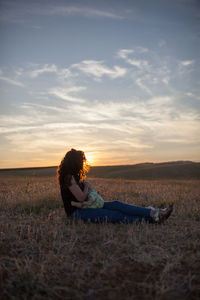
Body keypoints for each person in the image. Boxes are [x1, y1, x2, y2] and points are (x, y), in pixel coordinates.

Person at [57, 148, 173, 224]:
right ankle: (152, 219)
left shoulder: (74, 177)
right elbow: (81, 198)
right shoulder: (68, 178)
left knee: (117, 204)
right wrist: (87, 187)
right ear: (74, 163)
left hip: (87, 206)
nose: (82, 164)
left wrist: (94, 194)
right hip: (77, 213)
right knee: (116, 215)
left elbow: (84, 196)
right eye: (81, 162)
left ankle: (153, 212)